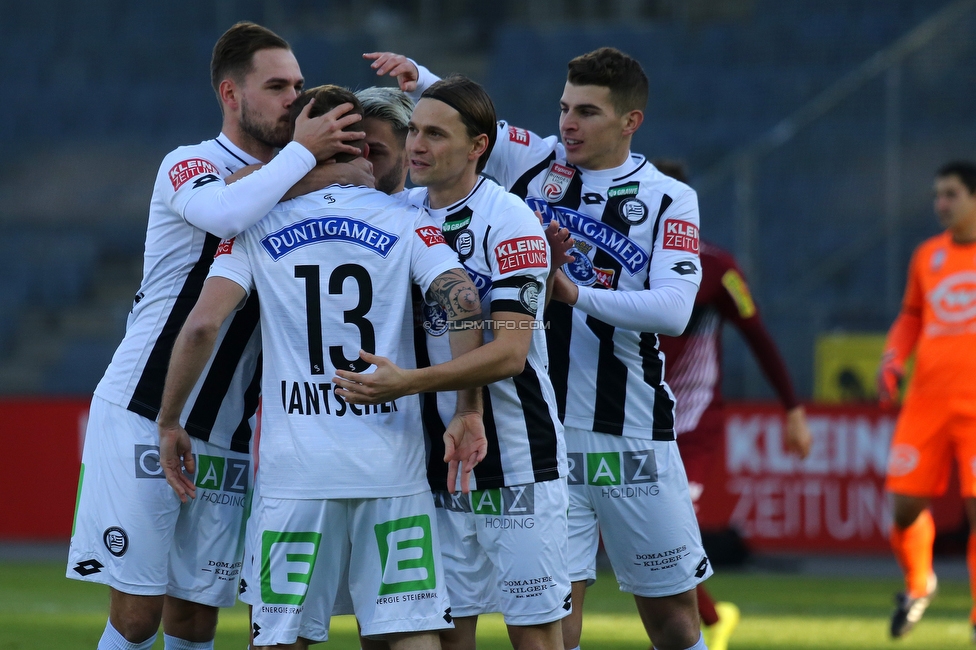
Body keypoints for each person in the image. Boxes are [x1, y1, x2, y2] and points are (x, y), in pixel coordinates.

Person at [157, 83, 534, 649]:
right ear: (361, 147)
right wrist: (467, 408)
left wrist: (169, 419)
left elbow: (202, 325)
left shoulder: (255, 226)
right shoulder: (407, 221)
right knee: (407, 635)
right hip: (391, 467)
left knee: (282, 637)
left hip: (295, 474)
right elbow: (462, 299)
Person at [365, 49, 708, 650]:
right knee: (556, 618)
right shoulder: (538, 161)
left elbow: (676, 311)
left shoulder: (667, 198)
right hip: (540, 433)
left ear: (631, 122)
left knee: (673, 617)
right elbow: (461, 124)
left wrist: (572, 293)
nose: (568, 124)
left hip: (627, 428)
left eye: (588, 113)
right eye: (563, 108)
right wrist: (417, 75)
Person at [65, 22, 365, 650]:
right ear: (232, 94)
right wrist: (310, 161)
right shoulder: (191, 164)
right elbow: (226, 213)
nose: (294, 99)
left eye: (299, 86)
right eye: (277, 86)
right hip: (146, 409)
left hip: (228, 426)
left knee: (196, 616)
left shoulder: (295, 178)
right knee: (138, 615)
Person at [333, 75, 572, 650]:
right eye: (413, 130)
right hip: (435, 463)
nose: (417, 145)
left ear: (477, 147)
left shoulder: (509, 219)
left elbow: (512, 352)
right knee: (445, 633)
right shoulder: (401, 212)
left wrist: (408, 383)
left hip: (517, 455)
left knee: (535, 637)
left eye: (435, 134)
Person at [653, 159, 811, 650]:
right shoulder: (613, 264)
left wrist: (792, 409)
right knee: (647, 543)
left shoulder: (716, 268)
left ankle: (706, 623)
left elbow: (757, 335)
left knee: (669, 535)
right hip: (630, 421)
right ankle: (712, 619)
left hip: (693, 423)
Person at [879, 160, 976, 640]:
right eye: (938, 194)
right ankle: (920, 584)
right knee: (903, 507)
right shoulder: (927, 256)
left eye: (952, 194)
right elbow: (911, 316)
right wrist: (894, 356)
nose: (941, 203)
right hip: (927, 403)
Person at [355, 86, 413, 195]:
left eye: (374, 152)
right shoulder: (318, 204)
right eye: (351, 150)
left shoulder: (424, 210)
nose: (359, 163)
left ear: (409, 155)